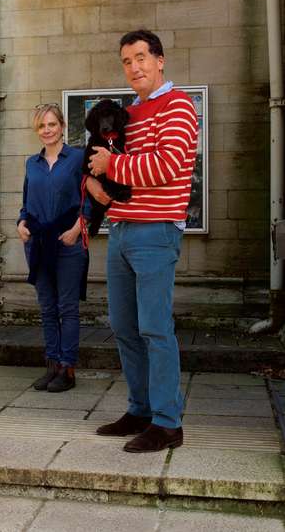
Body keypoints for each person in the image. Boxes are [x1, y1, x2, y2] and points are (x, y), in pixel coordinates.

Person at [87, 29, 198, 452]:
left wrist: (112, 165)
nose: (134, 67)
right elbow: (114, 168)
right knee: (124, 327)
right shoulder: (131, 113)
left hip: (156, 230)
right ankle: (141, 409)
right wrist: (97, 184)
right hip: (121, 228)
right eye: (126, 62)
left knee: (155, 328)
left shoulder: (178, 106)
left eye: (140, 58)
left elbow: (167, 165)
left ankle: (168, 423)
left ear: (160, 60)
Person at [16, 103, 89, 393]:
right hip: (37, 242)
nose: (47, 130)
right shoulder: (31, 163)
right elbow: (26, 201)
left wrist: (76, 230)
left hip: (67, 240)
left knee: (67, 307)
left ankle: (67, 369)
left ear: (62, 126)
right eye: (41, 126)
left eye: (51, 125)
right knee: (47, 307)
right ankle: (51, 365)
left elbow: (90, 200)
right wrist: (21, 223)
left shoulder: (78, 158)